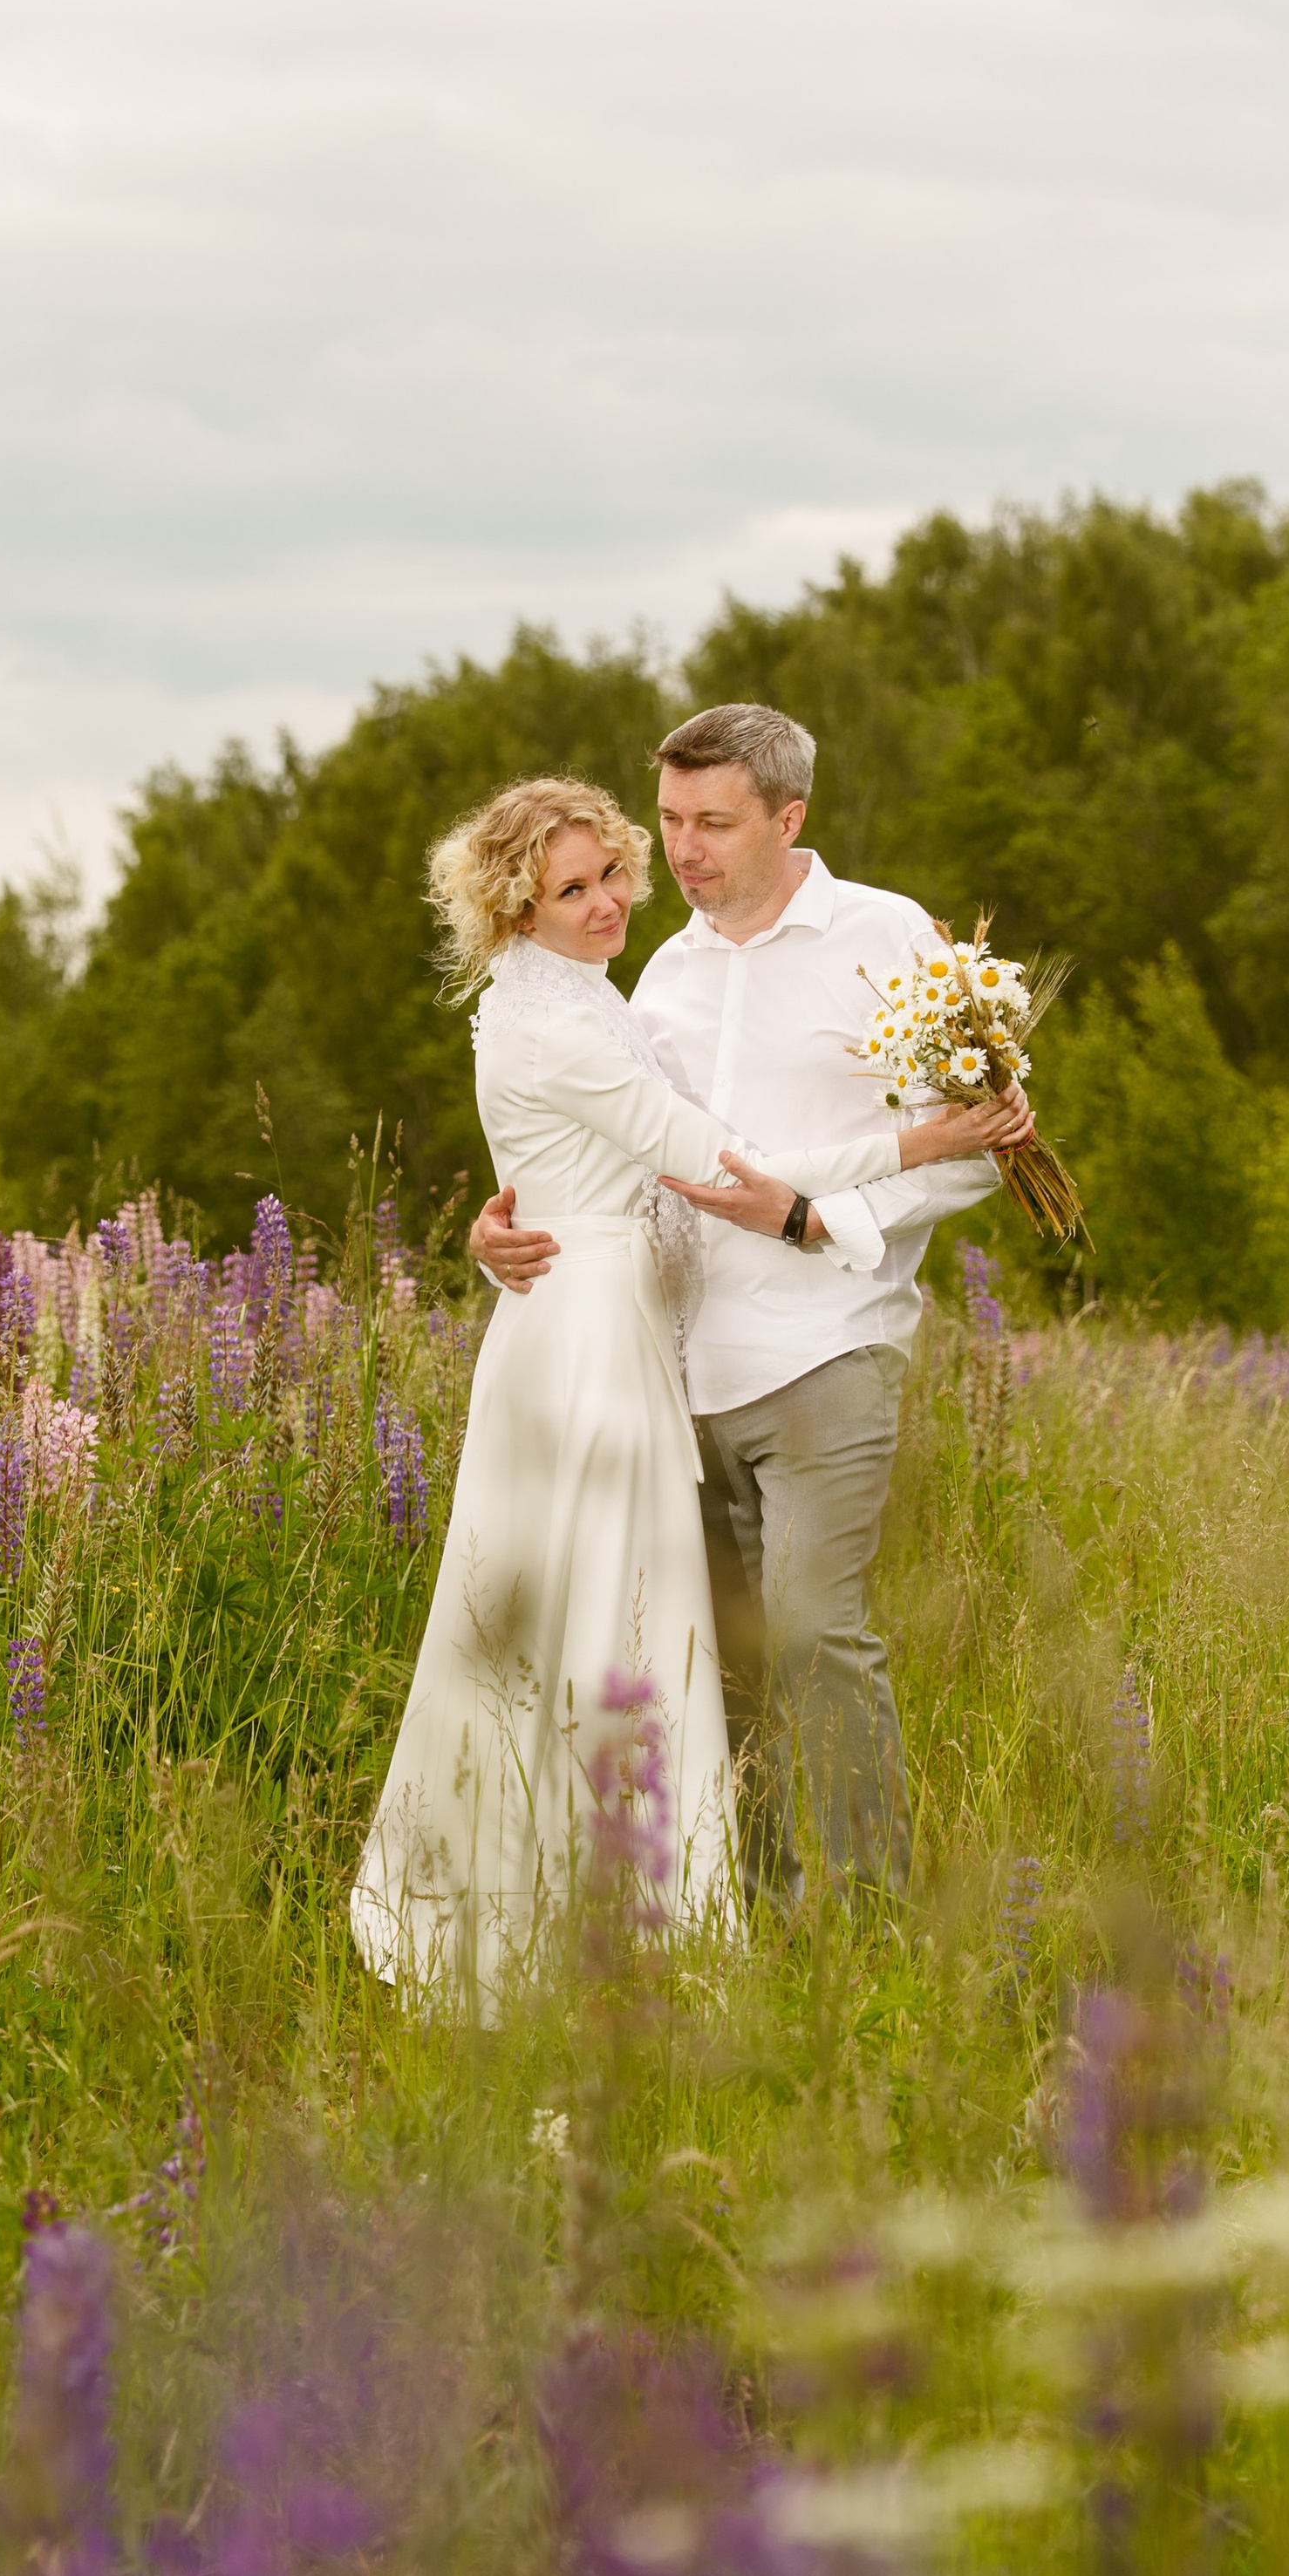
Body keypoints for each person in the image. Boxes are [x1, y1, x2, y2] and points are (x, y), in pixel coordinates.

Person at [348, 773, 1018, 2007]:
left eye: (612, 873)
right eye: (573, 887)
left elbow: (630, 1156)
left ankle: (650, 1903)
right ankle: (619, 1923)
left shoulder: (593, 998)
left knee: (626, 1625)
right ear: (513, 908)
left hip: (619, 1325)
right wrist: (917, 1141)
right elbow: (719, 1167)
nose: (609, 900)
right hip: (596, 1338)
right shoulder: (551, 1021)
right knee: (614, 1627)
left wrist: (505, 1224)